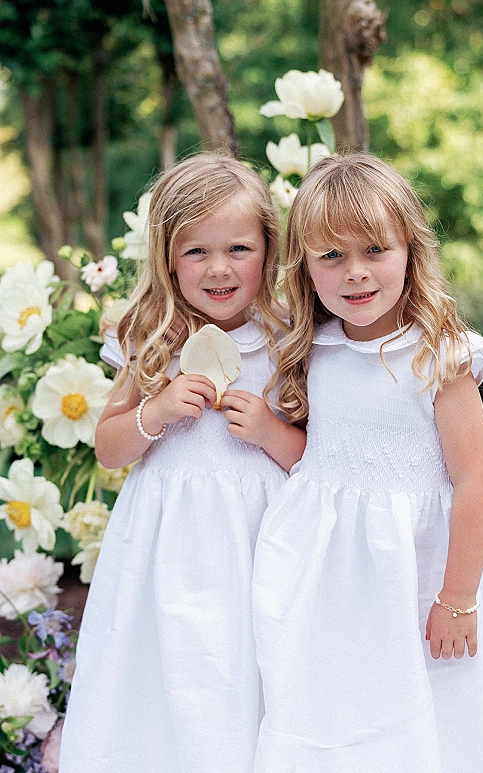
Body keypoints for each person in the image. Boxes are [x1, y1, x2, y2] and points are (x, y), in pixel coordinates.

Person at [252, 153, 483, 773]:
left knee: (443, 707)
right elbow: (320, 464)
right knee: (353, 707)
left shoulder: (437, 357)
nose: (356, 273)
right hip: (339, 581)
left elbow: (474, 481)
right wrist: (268, 430)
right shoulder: (312, 350)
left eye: (375, 249)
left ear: (410, 251)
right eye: (332, 256)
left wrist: (457, 596)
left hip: (429, 569)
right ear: (305, 267)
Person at [59, 153, 306, 773]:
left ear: (268, 251)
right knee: (175, 679)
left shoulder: (290, 337)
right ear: (168, 256)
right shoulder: (151, 336)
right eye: (196, 251)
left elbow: (316, 461)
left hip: (259, 544)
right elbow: (109, 448)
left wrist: (272, 432)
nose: (218, 268)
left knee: (250, 678)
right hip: (166, 550)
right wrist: (158, 409)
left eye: (239, 249)